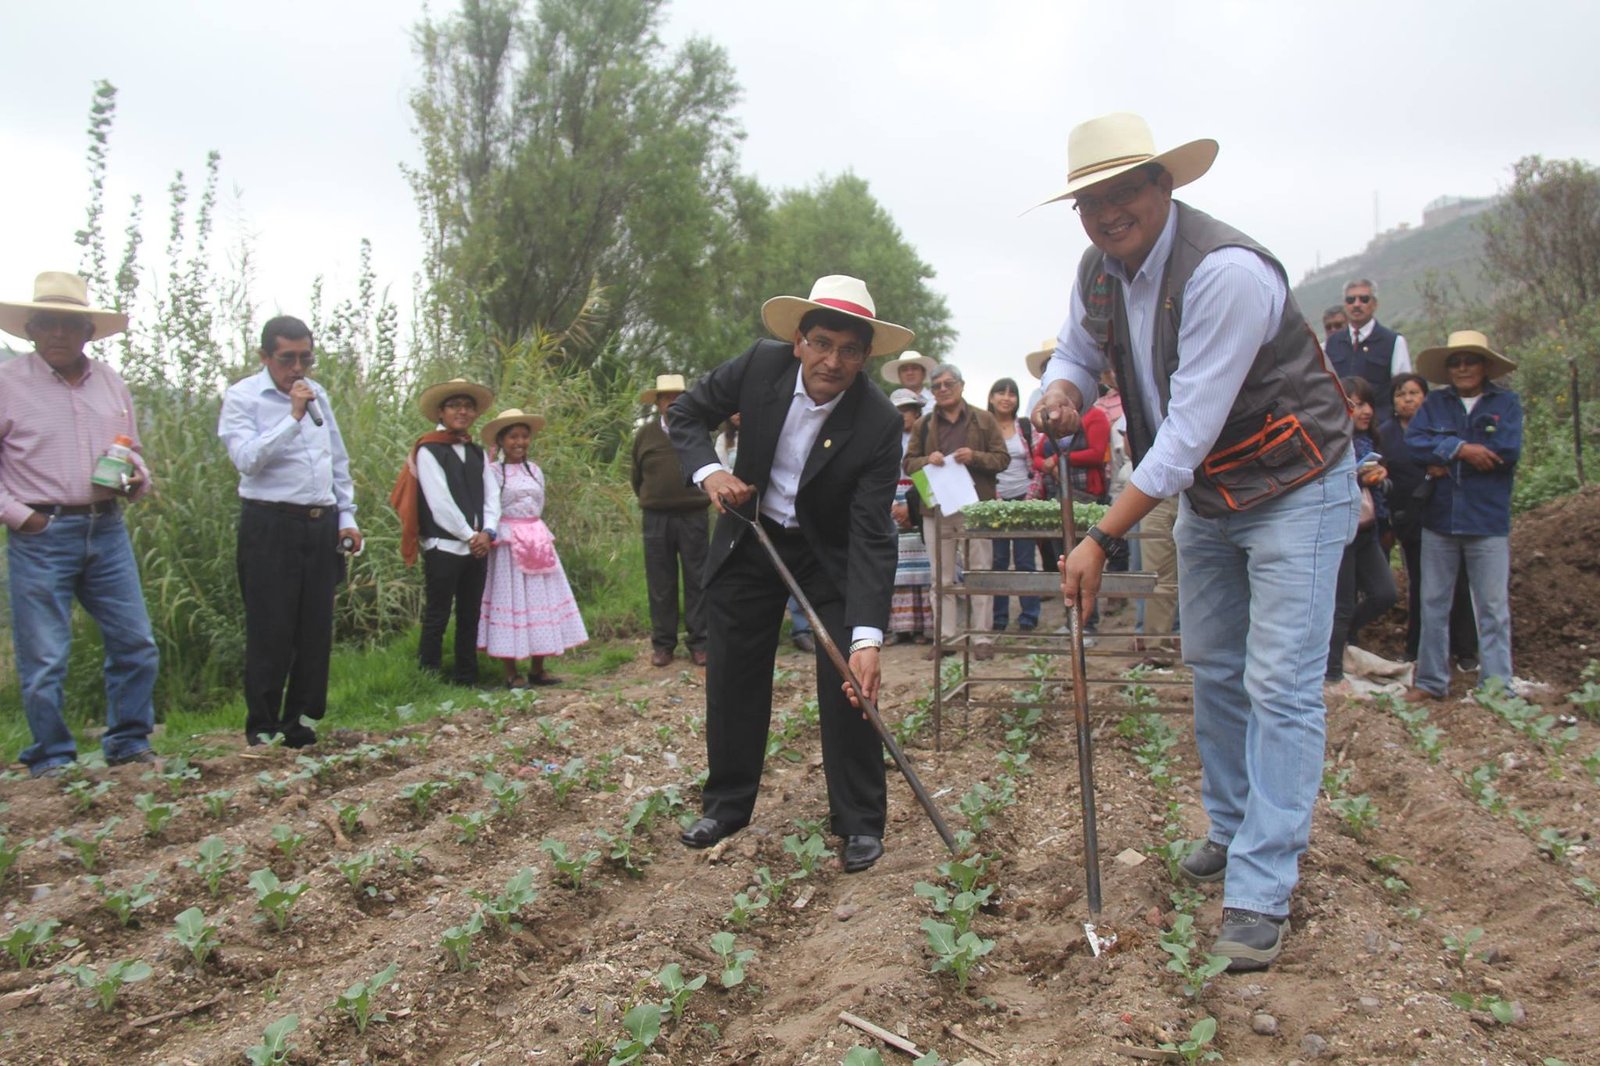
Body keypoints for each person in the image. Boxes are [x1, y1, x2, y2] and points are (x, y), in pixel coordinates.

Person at [1034, 113, 1357, 971]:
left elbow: (1181, 433)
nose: (1108, 213)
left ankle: (1260, 886)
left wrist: (1101, 535)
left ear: (1164, 185)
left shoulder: (1226, 273)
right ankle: (1234, 824)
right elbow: (1074, 350)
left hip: (1294, 483)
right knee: (1213, 665)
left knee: (1280, 682)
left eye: (1124, 191)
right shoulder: (1098, 274)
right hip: (1212, 499)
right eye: (1090, 201)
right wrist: (1061, 390)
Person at [667, 274, 910, 873]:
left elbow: (872, 532)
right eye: (822, 343)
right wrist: (709, 476)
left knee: (847, 682)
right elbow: (685, 414)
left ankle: (858, 822)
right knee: (734, 674)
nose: (833, 361)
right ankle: (726, 805)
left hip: (827, 554)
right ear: (799, 341)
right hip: (752, 538)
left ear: (865, 357)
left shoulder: (879, 422)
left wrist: (867, 639)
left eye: (850, 350)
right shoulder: (759, 366)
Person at [0, 271, 160, 777]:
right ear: (30, 329)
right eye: (48, 324)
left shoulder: (111, 383)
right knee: (45, 656)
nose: (58, 335)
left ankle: (130, 744)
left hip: (106, 526)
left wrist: (137, 479)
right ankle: (52, 759)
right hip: (41, 533)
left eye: (69, 325)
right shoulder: (7, 385)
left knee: (136, 642)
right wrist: (20, 517)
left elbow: (129, 450)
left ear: (88, 331)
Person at [219, 315, 361, 747]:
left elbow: (336, 460)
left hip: (319, 523)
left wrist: (348, 517)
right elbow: (246, 459)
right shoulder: (244, 397)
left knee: (313, 627)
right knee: (271, 627)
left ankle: (296, 720)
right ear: (265, 357)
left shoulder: (320, 395)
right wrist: (292, 417)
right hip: (270, 523)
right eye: (287, 359)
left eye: (305, 358)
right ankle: (261, 724)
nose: (298, 368)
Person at [1404, 332, 1521, 701]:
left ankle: (1498, 685)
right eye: (1456, 362)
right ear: (1448, 369)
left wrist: (1445, 457)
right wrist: (1462, 449)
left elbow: (1506, 451)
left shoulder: (1507, 403)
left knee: (1492, 607)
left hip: (1487, 521)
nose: (1463, 367)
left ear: (1484, 365)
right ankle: (1431, 682)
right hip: (1440, 520)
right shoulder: (1435, 404)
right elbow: (1414, 443)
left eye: (1470, 360)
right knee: (1433, 603)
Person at [391, 378, 497, 685]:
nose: (462, 412)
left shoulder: (477, 453)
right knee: (438, 613)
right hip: (444, 546)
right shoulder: (429, 450)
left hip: (478, 546)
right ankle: (429, 675)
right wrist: (469, 535)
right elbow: (440, 503)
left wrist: (488, 532)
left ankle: (467, 675)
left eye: (468, 406)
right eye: (454, 406)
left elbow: (491, 496)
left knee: (470, 613)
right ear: (441, 412)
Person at [903, 363, 1010, 661]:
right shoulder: (923, 425)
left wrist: (974, 456)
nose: (943, 389)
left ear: (961, 385)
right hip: (937, 508)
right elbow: (909, 463)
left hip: (976, 507)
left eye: (949, 384)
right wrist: (928, 459)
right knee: (941, 576)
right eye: (937, 386)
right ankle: (946, 637)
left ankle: (982, 638)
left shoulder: (984, 419)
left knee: (980, 572)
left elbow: (1002, 459)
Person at [477, 409, 588, 686]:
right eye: (513, 436)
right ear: (501, 441)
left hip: (537, 539)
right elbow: (490, 505)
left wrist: (532, 529)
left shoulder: (535, 470)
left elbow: (539, 504)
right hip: (507, 542)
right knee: (511, 600)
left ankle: (538, 668)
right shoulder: (493, 472)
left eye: (524, 436)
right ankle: (511, 672)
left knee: (541, 601)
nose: (520, 442)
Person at [1379, 372, 1477, 665]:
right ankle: (1416, 648)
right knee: (1420, 583)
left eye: (1413, 393)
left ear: (1425, 396)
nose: (1407, 399)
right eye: (1400, 394)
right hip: (1408, 519)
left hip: (1445, 514)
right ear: (1393, 401)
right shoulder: (1385, 434)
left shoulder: (1442, 429)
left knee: (1457, 581)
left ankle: (1466, 650)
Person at [631, 374, 710, 668]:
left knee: (698, 580)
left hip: (694, 515)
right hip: (656, 518)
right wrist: (654, 498)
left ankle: (700, 643)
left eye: (678, 397)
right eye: (666, 397)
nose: (672, 402)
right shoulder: (645, 435)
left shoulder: (696, 429)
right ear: (658, 403)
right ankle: (663, 645)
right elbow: (636, 477)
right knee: (660, 583)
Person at [1325, 377, 1398, 692]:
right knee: (1341, 604)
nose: (1365, 411)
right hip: (1341, 532)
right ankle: (1331, 675)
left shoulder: (1369, 442)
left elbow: (1385, 489)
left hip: (1367, 530)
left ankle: (1341, 641)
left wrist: (1380, 479)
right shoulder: (1330, 442)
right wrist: (1355, 477)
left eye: (1368, 403)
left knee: (1384, 593)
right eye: (1357, 404)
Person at [986, 378, 1041, 632]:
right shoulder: (984, 428)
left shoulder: (1026, 427)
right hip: (994, 503)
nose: (1006, 398)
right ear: (991, 397)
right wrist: (993, 497)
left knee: (1025, 560)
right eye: (1001, 393)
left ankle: (1029, 616)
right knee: (997, 561)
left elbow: (1037, 464)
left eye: (1012, 394)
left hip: (1024, 500)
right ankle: (999, 618)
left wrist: (1030, 497)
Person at [1324, 279, 1411, 423]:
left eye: (1364, 299)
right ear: (1345, 305)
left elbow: (1402, 389)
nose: (1356, 304)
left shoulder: (1394, 341)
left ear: (1375, 304)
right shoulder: (1332, 343)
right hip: (1341, 428)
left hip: (1380, 429)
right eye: (1351, 300)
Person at [887, 388, 933, 642]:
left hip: (920, 501)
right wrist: (894, 504)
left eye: (907, 410)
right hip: (892, 502)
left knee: (924, 567)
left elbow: (929, 474)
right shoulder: (885, 439)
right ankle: (901, 627)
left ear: (917, 413)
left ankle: (922, 627)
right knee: (896, 567)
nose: (903, 415)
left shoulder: (926, 439)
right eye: (898, 411)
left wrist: (912, 508)